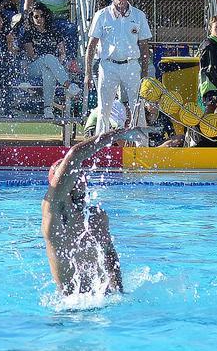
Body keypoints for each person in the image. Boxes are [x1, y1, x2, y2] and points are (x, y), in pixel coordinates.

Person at [42, 126, 148, 296]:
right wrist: (120, 134)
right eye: (73, 176)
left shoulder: (95, 217)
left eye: (81, 175)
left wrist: (119, 293)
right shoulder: (54, 214)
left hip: (104, 303)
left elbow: (109, 254)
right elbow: (75, 155)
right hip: (69, 309)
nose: (80, 179)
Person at [85, 0, 151, 137]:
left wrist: (145, 71)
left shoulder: (138, 15)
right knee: (104, 109)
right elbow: (92, 45)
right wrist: (87, 73)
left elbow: (144, 46)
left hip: (131, 66)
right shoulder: (101, 15)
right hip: (108, 66)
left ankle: (141, 146)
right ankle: (101, 148)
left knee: (138, 107)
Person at [22, 3, 82, 119]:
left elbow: (62, 53)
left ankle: (48, 109)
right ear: (32, 18)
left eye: (42, 16)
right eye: (36, 16)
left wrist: (55, 62)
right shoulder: (28, 34)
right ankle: (68, 85)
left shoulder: (54, 32)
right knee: (48, 60)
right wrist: (51, 60)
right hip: (33, 68)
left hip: (51, 68)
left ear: (46, 17)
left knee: (48, 71)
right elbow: (32, 56)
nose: (39, 19)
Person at [197, 15, 217, 121]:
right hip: (211, 85)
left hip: (211, 85)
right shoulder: (210, 45)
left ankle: (203, 132)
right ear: (210, 28)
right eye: (216, 27)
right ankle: (212, 132)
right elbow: (210, 70)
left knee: (209, 112)